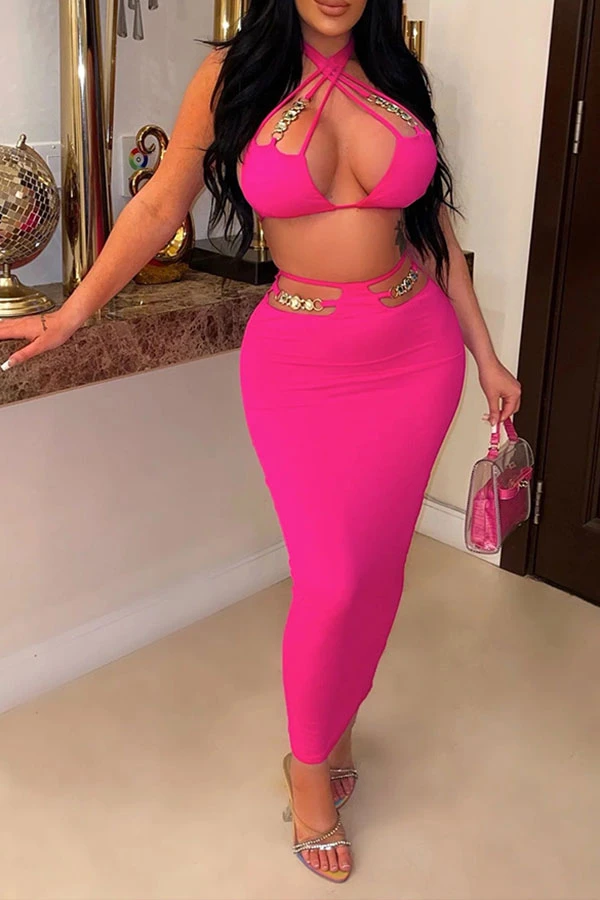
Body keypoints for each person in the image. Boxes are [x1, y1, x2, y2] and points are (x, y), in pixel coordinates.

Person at [0, 0, 521, 884]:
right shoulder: (232, 75)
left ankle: (337, 722)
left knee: (380, 569)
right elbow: (160, 203)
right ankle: (308, 771)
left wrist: (486, 355)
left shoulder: (398, 73)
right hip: (301, 364)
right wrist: (73, 313)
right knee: (332, 576)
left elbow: (433, 228)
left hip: (415, 351)